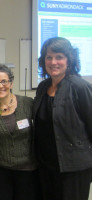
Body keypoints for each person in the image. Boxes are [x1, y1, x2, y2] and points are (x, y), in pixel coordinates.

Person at [33, 37, 92, 200]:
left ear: (69, 60)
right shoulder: (43, 87)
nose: (53, 62)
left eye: (59, 57)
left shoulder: (80, 87)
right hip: (46, 166)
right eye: (49, 57)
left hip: (73, 168)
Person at [0, 64, 39, 200]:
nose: (0, 85)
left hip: (28, 170)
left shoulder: (27, 103)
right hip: (0, 170)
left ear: (11, 83)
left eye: (4, 81)